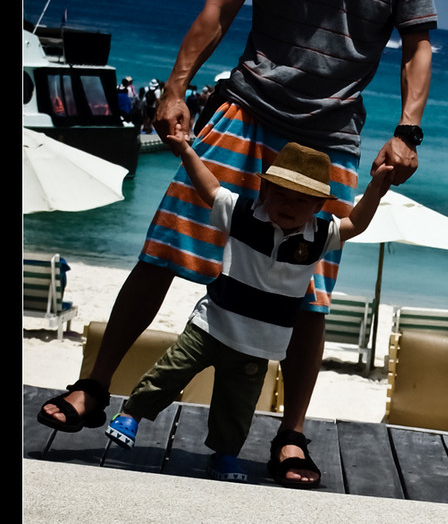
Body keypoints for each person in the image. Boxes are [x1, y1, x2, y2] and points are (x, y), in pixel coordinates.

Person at [38, 0, 435, 486]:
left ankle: (292, 434)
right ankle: (94, 387)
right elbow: (222, 5)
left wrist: (407, 130)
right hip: (245, 111)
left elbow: (417, 45)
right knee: (162, 251)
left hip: (330, 138)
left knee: (310, 294)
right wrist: (175, 87)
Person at [101, 139, 393, 484]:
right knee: (168, 374)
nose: (289, 205)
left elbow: (356, 223)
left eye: (302, 200)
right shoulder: (242, 213)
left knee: (237, 408)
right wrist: (187, 151)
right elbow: (210, 188)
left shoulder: (320, 235)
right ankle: (131, 414)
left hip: (257, 346)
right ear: (265, 190)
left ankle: (225, 454)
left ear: (318, 206)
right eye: (281, 194)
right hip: (209, 327)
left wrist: (376, 187)